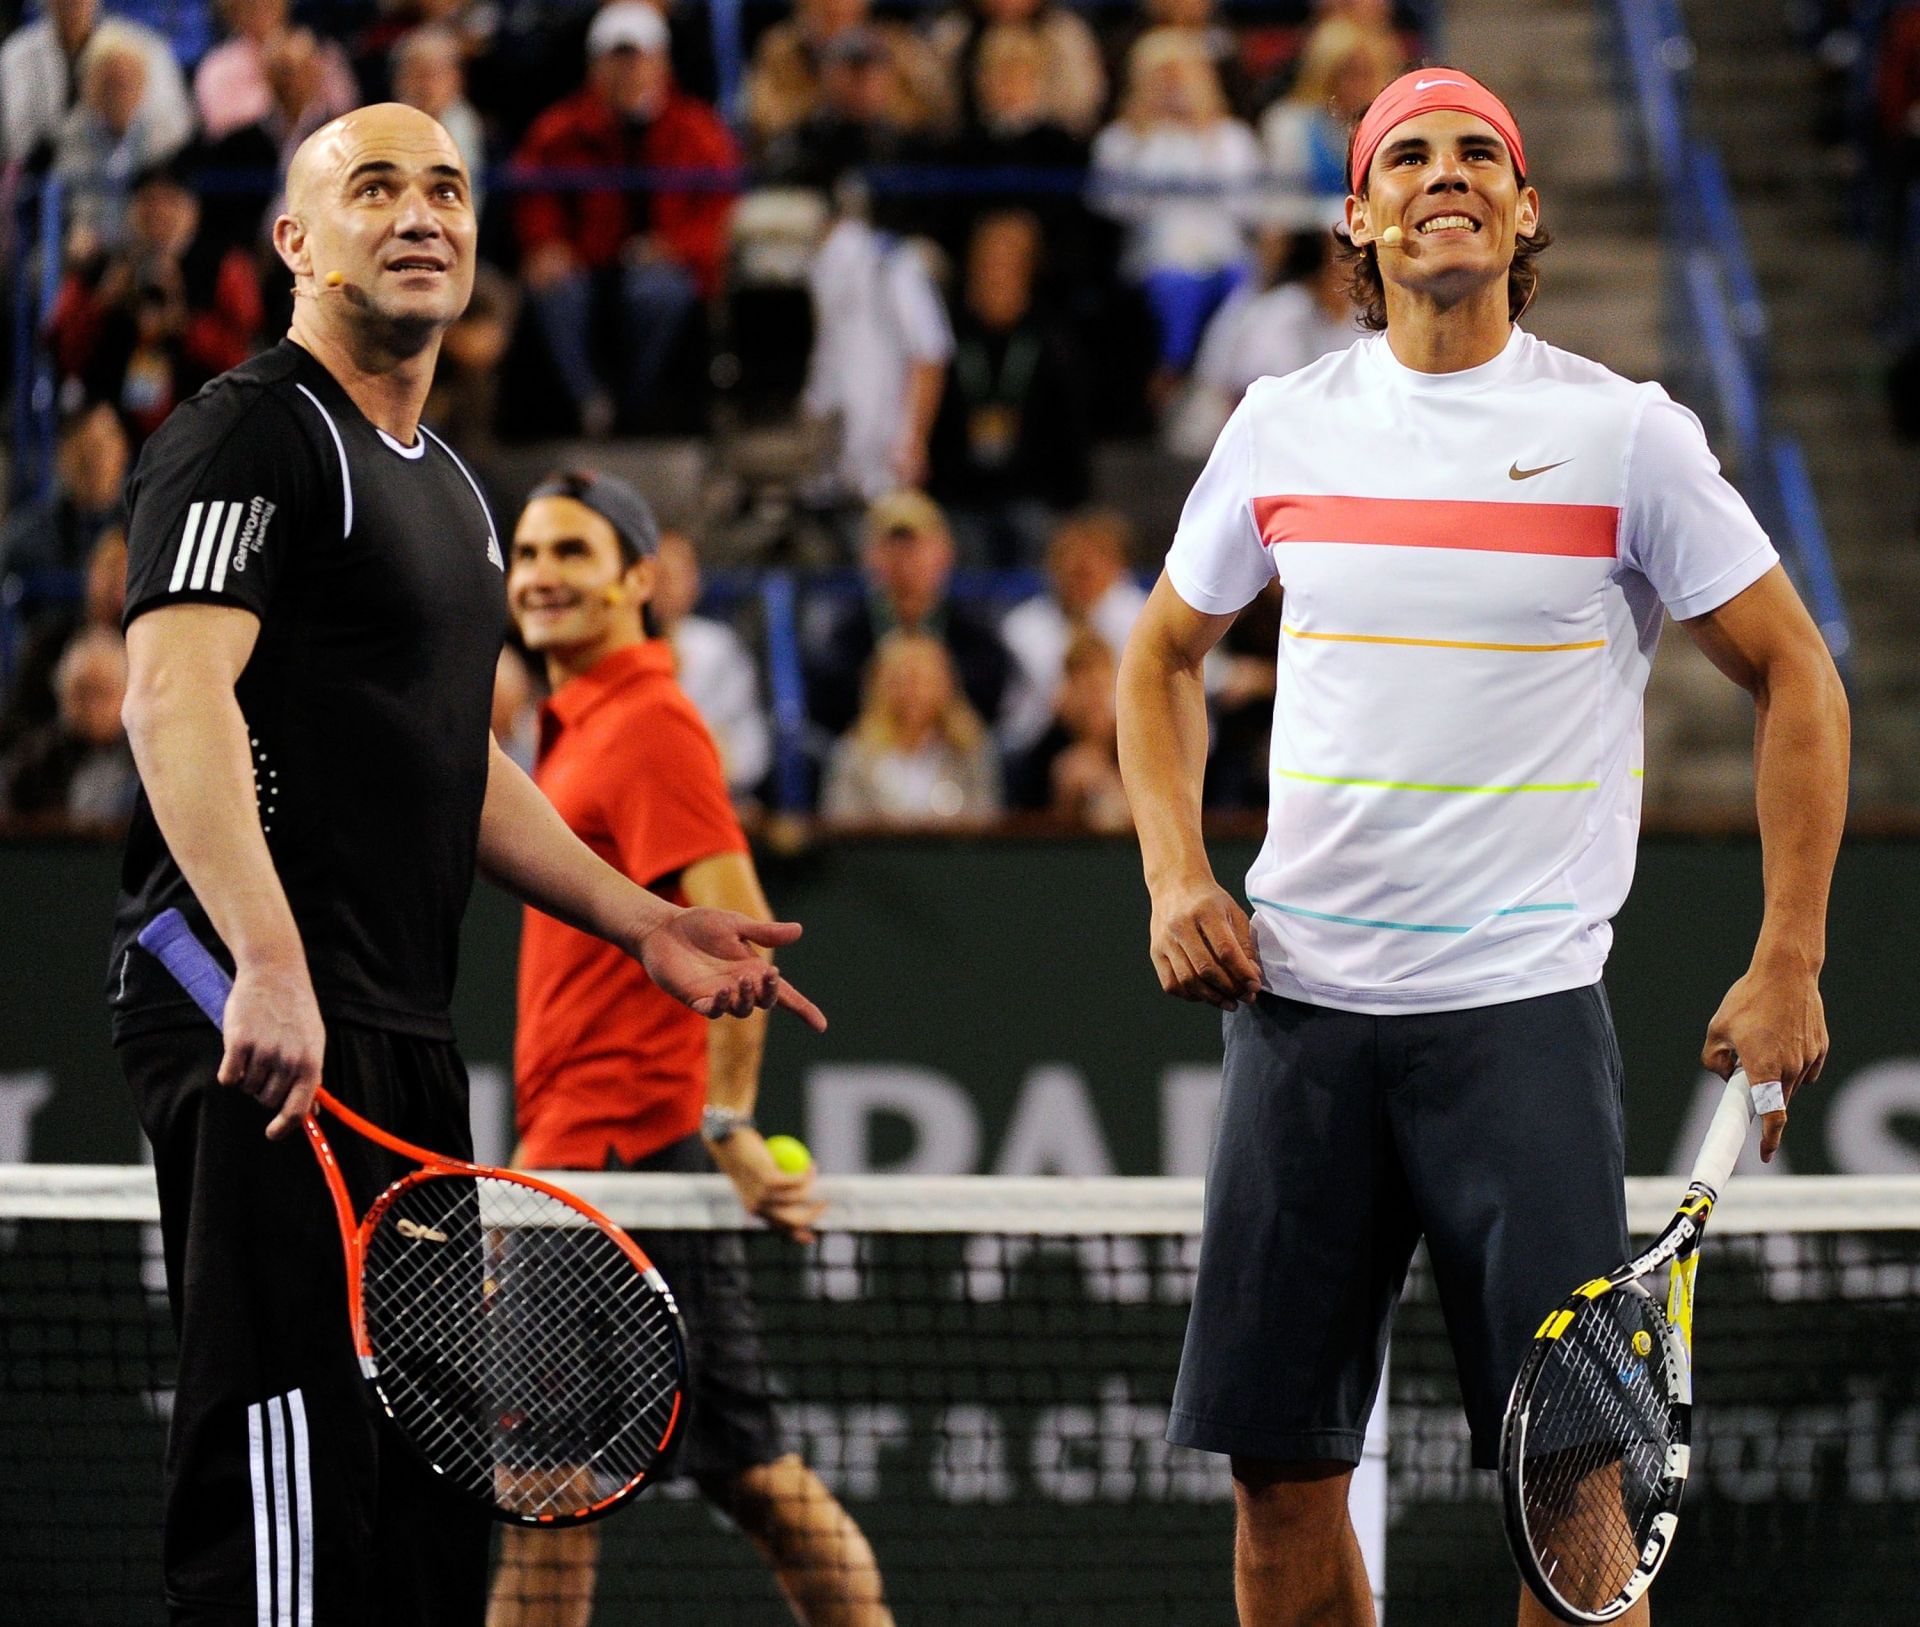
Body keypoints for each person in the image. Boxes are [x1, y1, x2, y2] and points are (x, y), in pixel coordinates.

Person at [1115, 68, 1848, 1627]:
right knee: (1275, 1490)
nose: (1444, 174)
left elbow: (1801, 671)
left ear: (1523, 212)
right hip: (1300, 1023)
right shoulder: (1281, 425)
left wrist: (1791, 952)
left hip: (1517, 1023)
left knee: (1576, 1501)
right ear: (1358, 219)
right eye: (1408, 155)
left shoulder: (1623, 434)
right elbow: (1159, 653)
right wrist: (1178, 871)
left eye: (1478, 156)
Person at [108, 103, 822, 1627]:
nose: (421, 211)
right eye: (374, 188)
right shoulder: (250, 430)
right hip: (259, 1014)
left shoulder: (453, 489)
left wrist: (640, 919)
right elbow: (173, 696)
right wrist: (272, 959)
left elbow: (455, 754)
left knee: (424, 1489)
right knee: (285, 1471)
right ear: (296, 241)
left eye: (446, 187)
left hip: (398, 1036)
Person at [489, 468, 892, 1627]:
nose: (541, 577)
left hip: (612, 1173)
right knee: (756, 1479)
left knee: (545, 1502)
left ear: (639, 579)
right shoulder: (573, 729)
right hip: (588, 1164)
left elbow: (740, 943)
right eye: (525, 555)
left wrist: (725, 1126)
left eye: (571, 552)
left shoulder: (651, 724)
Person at [513, 0, 739, 436]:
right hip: (585, 261)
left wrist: (677, 249)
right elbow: (533, 197)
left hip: (663, 266)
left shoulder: (698, 129)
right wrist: (546, 246)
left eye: (638, 59)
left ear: (662, 63)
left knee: (657, 292)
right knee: (555, 292)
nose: (628, 72)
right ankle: (589, 403)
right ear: (594, 66)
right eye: (616, 60)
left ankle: (636, 403)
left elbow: (719, 213)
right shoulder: (560, 129)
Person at [1091, 28, 1263, 383]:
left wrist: (1205, 139)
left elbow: (1247, 206)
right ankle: (1171, 374)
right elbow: (1112, 206)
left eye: (1181, 77)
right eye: (1161, 79)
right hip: (1156, 257)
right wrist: (1145, 142)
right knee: (1178, 287)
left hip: (1225, 254)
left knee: (1246, 287)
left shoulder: (1232, 137)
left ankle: (1217, 383)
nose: (1173, 89)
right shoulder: (1121, 139)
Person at [801, 488, 1009, 740]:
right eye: (891, 548)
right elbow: (828, 718)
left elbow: (988, 716)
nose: (903, 562)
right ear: (869, 557)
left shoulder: (979, 642)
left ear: (945, 553)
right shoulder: (841, 646)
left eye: (915, 548)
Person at [997, 507, 1144, 754]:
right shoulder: (1020, 629)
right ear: (1052, 566)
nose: (1084, 570)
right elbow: (1013, 724)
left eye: (1095, 562)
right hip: (1041, 749)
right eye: (1074, 565)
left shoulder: (1143, 618)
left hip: (1126, 747)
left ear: (1118, 568)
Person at [820, 630, 1003, 824]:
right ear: (881, 687)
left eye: (923, 682)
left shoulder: (971, 752)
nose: (912, 693)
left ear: (945, 686)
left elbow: (986, 825)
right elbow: (839, 828)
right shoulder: (854, 755)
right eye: (902, 682)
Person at [652, 529, 775, 803]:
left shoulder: (718, 646)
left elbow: (749, 747)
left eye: (679, 573)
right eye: (659, 574)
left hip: (713, 792)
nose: (667, 584)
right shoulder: (614, 649)